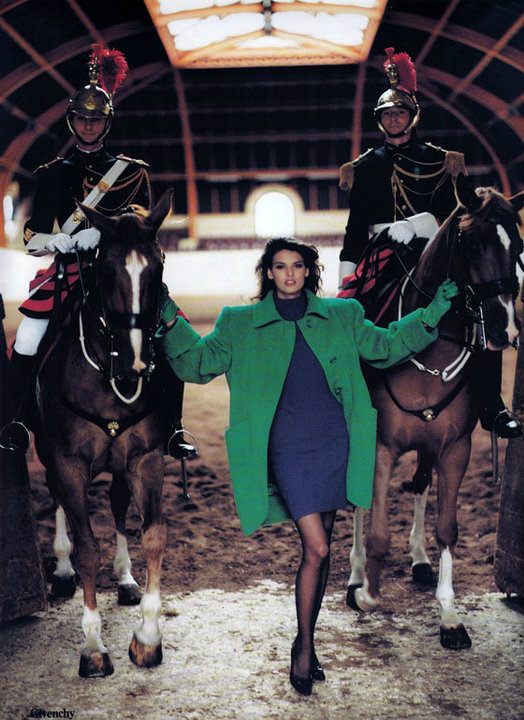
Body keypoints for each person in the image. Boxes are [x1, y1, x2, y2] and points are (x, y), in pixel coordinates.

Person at [156, 236, 458, 695]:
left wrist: (431, 314)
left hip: (335, 444)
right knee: (316, 548)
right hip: (286, 451)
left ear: (309, 272)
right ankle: (304, 646)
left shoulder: (343, 314)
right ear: (268, 273)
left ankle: (307, 642)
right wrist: (168, 317)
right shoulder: (239, 323)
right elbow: (196, 363)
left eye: (297, 266)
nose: (289, 274)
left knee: (323, 547)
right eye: (280, 266)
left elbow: (386, 346)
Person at [0, 44, 196, 459]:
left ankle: (174, 427)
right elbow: (32, 233)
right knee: (28, 339)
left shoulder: (132, 172)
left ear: (108, 122)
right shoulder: (51, 174)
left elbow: (143, 225)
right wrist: (54, 241)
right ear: (71, 121)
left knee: (166, 336)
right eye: (81, 119)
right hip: (68, 269)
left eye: (96, 119)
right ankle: (16, 421)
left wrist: (106, 236)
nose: (88, 126)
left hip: (121, 270)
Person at [338, 47, 520, 439]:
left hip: (432, 249)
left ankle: (491, 405)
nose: (393, 119)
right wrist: (347, 275)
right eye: (387, 114)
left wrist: (418, 224)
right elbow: (355, 228)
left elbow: (453, 213)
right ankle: (354, 402)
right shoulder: (364, 166)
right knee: (354, 322)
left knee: (476, 312)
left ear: (413, 117)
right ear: (380, 121)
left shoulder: (440, 160)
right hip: (382, 254)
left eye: (400, 113)